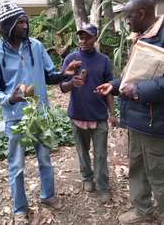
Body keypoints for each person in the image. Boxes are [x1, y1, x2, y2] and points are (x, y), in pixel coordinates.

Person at [0, 1, 81, 224]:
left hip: (39, 114)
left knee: (45, 159)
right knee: (17, 165)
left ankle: (48, 196)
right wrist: (10, 98)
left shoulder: (36, 46)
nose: (25, 25)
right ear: (7, 25)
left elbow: (49, 75)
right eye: (19, 22)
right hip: (15, 118)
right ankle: (20, 208)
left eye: (25, 20)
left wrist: (64, 74)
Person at [95, 0, 164, 225]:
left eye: (128, 17)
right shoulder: (142, 37)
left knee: (160, 171)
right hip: (137, 119)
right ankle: (142, 210)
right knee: (136, 167)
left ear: (141, 14)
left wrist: (139, 91)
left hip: (157, 122)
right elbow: (133, 76)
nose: (127, 22)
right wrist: (114, 86)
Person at [60, 23, 116, 204]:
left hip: (99, 115)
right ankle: (87, 178)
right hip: (78, 113)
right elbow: (62, 86)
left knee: (100, 154)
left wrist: (112, 113)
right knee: (82, 151)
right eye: (81, 37)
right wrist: (72, 83)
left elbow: (110, 90)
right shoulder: (71, 58)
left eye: (88, 37)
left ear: (95, 38)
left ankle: (103, 186)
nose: (83, 40)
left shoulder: (104, 61)